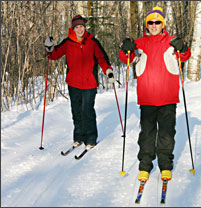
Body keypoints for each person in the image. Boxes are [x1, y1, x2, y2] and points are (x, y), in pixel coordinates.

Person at [119, 7, 191, 182]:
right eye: (150, 22)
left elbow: (184, 55)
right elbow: (125, 58)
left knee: (167, 134)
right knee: (147, 135)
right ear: (147, 25)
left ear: (162, 24)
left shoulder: (172, 41)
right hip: (148, 98)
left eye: (157, 22)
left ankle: (165, 166)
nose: (153, 25)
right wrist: (125, 48)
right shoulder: (139, 43)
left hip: (168, 97)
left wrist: (183, 47)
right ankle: (145, 166)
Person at [44, 15, 115, 148]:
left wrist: (108, 71)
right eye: (77, 27)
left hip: (89, 83)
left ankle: (91, 138)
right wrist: (49, 48)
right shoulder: (68, 42)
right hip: (73, 83)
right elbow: (54, 55)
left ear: (84, 27)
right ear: (73, 28)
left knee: (87, 110)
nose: (79, 29)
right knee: (76, 111)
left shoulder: (92, 42)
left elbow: (102, 59)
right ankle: (78, 137)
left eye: (81, 26)